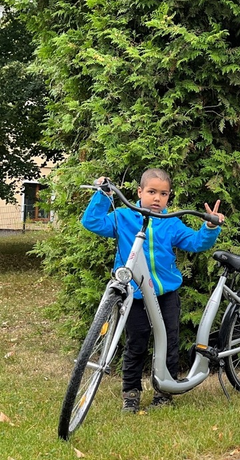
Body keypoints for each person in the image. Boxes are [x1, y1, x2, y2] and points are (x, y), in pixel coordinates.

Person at [81, 168, 226, 412]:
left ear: (169, 197)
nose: (157, 198)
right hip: (134, 295)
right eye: (151, 192)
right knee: (135, 343)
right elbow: (92, 222)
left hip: (166, 295)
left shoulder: (171, 224)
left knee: (168, 343)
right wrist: (102, 195)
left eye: (163, 193)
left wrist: (209, 228)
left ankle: (164, 392)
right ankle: (131, 392)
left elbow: (195, 242)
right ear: (140, 192)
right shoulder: (124, 217)